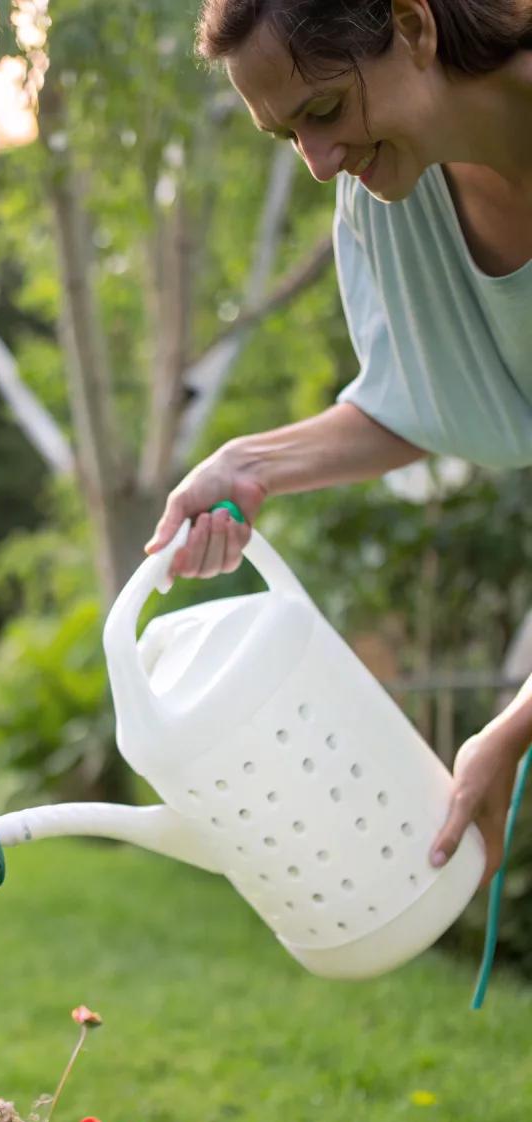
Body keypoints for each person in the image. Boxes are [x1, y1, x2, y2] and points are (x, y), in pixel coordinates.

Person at [147, 0, 532, 883]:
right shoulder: (390, 199)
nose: (320, 166)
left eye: (322, 111)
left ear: (413, 26)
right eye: (286, 138)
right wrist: (252, 464)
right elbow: (425, 398)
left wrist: (511, 728)